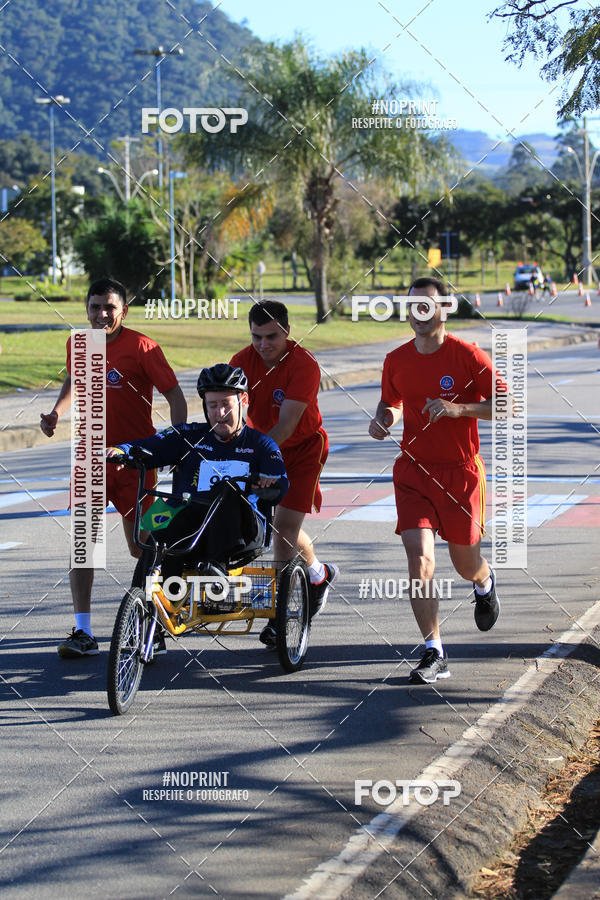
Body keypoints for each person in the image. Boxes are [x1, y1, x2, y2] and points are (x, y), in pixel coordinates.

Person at [40, 277, 187, 658]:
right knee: (84, 547)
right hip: (90, 457)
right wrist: (57, 413)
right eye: (95, 307)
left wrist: (177, 443)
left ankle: (152, 625)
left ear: (124, 310)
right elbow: (75, 380)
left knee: (143, 546)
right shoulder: (79, 344)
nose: (102, 314)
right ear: (86, 309)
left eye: (109, 307)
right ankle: (83, 631)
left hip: (135, 460)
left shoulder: (143, 346)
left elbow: (173, 393)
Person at [368, 276, 501, 684]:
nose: (419, 313)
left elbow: (506, 405)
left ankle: (484, 581)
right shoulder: (396, 359)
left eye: (427, 305)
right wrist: (383, 419)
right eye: (412, 306)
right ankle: (434, 650)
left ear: (446, 309)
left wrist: (458, 410)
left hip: (460, 474)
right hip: (414, 473)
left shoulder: (468, 356)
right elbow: (389, 401)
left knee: (465, 564)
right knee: (419, 560)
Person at [107, 364, 288, 586]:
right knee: (164, 515)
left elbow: (279, 482)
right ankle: (145, 603)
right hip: (191, 525)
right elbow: (148, 446)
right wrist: (122, 451)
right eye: (213, 405)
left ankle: (216, 568)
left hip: (241, 534)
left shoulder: (262, 444)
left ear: (243, 402)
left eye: (226, 405)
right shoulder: (188, 436)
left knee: (228, 487)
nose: (220, 413)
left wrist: (270, 484)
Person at [230, 300, 338, 647]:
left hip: (303, 447)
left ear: (288, 332)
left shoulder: (304, 364)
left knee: (284, 529)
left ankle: (278, 618)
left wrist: (256, 455)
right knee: (275, 527)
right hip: (261, 446)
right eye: (256, 337)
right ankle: (318, 575)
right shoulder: (240, 362)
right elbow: (227, 411)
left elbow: (288, 424)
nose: (263, 345)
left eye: (271, 337)